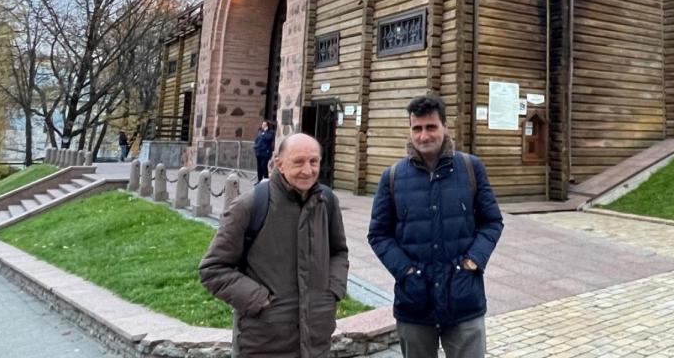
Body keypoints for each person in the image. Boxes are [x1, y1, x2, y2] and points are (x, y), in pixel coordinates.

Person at [368, 94, 504, 358]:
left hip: (463, 297)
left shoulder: (471, 168)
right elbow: (378, 234)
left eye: (431, 127)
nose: (423, 136)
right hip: (414, 301)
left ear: (445, 126)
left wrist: (473, 261)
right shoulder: (393, 177)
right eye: (416, 128)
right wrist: (406, 271)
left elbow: (492, 222)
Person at [200, 133, 349, 358]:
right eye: (298, 162)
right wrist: (261, 301)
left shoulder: (327, 201)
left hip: (316, 340)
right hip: (263, 343)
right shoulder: (250, 205)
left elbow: (338, 252)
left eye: (314, 161)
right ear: (279, 163)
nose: (308, 170)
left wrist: (332, 292)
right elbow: (213, 269)